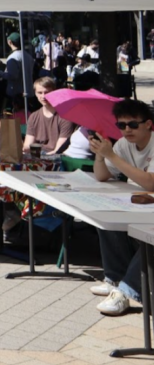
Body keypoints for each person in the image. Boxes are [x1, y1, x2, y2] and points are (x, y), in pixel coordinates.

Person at [90, 99, 154, 315]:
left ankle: (126, 292)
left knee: (149, 237)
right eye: (122, 125)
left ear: (148, 124)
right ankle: (115, 278)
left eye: (133, 125)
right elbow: (101, 176)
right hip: (137, 202)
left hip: (148, 205)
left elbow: (150, 182)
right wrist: (100, 154)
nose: (127, 130)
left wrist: (112, 156)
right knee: (106, 219)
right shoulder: (123, 145)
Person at [23, 76, 76, 155]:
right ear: (35, 93)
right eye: (40, 93)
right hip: (36, 156)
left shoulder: (65, 116)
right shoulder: (33, 116)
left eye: (47, 92)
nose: (43, 96)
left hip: (55, 158)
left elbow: (58, 150)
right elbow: (28, 146)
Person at [3, 32, 35, 112]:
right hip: (29, 91)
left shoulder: (13, 57)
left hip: (16, 94)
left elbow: (13, 76)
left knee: (15, 119)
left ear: (9, 42)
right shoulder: (28, 56)